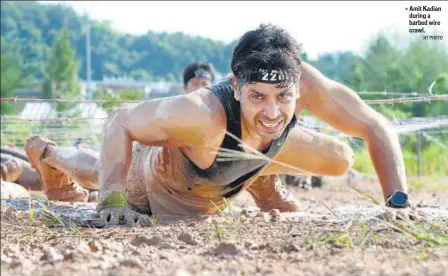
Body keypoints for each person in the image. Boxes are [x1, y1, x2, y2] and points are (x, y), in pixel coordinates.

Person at [22, 24, 412, 226]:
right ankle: (51, 155)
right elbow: (118, 121)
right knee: (96, 171)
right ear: (237, 87)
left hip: (235, 161)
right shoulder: (201, 112)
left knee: (340, 158)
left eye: (284, 96)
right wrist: (112, 200)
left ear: (298, 84)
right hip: (163, 176)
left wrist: (398, 201)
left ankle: (257, 170)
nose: (274, 111)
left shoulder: (304, 82)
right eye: (258, 96)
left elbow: (376, 126)